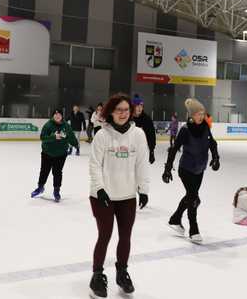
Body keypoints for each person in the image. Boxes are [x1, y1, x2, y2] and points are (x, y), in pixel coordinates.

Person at [88, 93, 150, 298]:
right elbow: (95, 165)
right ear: (111, 112)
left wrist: (144, 189)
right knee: (104, 235)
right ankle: (97, 275)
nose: (123, 114)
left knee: (125, 236)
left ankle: (122, 272)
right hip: (102, 195)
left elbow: (142, 163)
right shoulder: (102, 135)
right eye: (119, 110)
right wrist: (100, 189)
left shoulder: (138, 134)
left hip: (127, 196)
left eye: (126, 110)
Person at [162, 98, 221, 244]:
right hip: (186, 169)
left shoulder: (206, 127)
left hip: (199, 169)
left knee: (191, 196)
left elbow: (212, 143)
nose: (201, 116)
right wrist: (168, 168)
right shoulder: (185, 130)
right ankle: (193, 230)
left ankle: (175, 219)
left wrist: (215, 158)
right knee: (193, 198)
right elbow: (174, 149)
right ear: (191, 115)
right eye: (198, 114)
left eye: (203, 113)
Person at [30, 109, 78, 202]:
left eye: (59, 114)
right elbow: (42, 137)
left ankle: (56, 191)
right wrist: (53, 137)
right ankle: (40, 187)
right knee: (44, 171)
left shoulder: (66, 126)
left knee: (57, 172)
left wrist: (75, 144)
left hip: (61, 154)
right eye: (55, 115)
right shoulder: (48, 125)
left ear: (62, 116)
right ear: (53, 116)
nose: (57, 116)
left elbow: (72, 138)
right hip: (47, 153)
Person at [130, 95, 156, 164]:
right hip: (127, 150)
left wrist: (151, 151)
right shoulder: (127, 117)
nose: (139, 108)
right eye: (137, 106)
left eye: (141, 106)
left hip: (141, 151)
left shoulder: (146, 119)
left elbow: (151, 135)